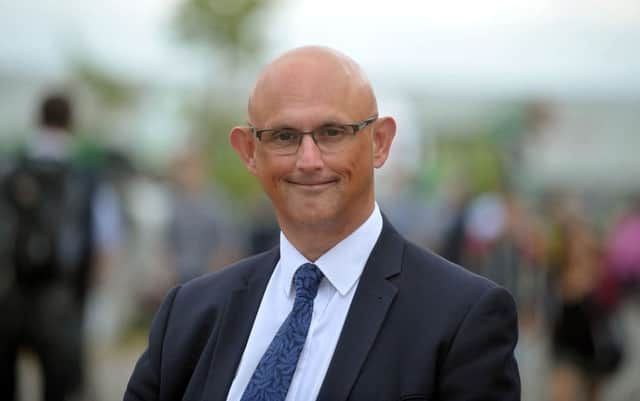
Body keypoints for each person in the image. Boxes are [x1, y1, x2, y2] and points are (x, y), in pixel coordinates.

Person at [124, 46, 520, 401]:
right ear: (249, 151)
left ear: (380, 142)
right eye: (283, 136)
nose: (309, 160)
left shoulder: (461, 318)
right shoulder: (189, 314)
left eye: (332, 133)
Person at [0, 93, 123, 401]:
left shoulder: (11, 168)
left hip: (9, 294)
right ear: (71, 122)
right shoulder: (86, 175)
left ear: (37, 117)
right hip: (62, 298)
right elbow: (105, 245)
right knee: (61, 388)